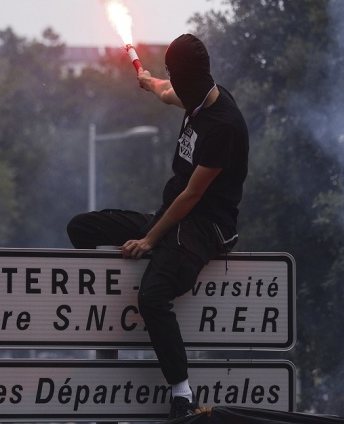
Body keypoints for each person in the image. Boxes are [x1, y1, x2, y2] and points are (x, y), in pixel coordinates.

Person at [66, 33, 249, 420]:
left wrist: (149, 239)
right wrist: (150, 83)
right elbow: (169, 94)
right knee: (81, 229)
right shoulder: (198, 97)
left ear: (190, 78)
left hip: (206, 227)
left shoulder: (224, 126)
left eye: (173, 77)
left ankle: (181, 391)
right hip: (173, 214)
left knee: (152, 297)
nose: (174, 86)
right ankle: (99, 308)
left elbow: (192, 196)